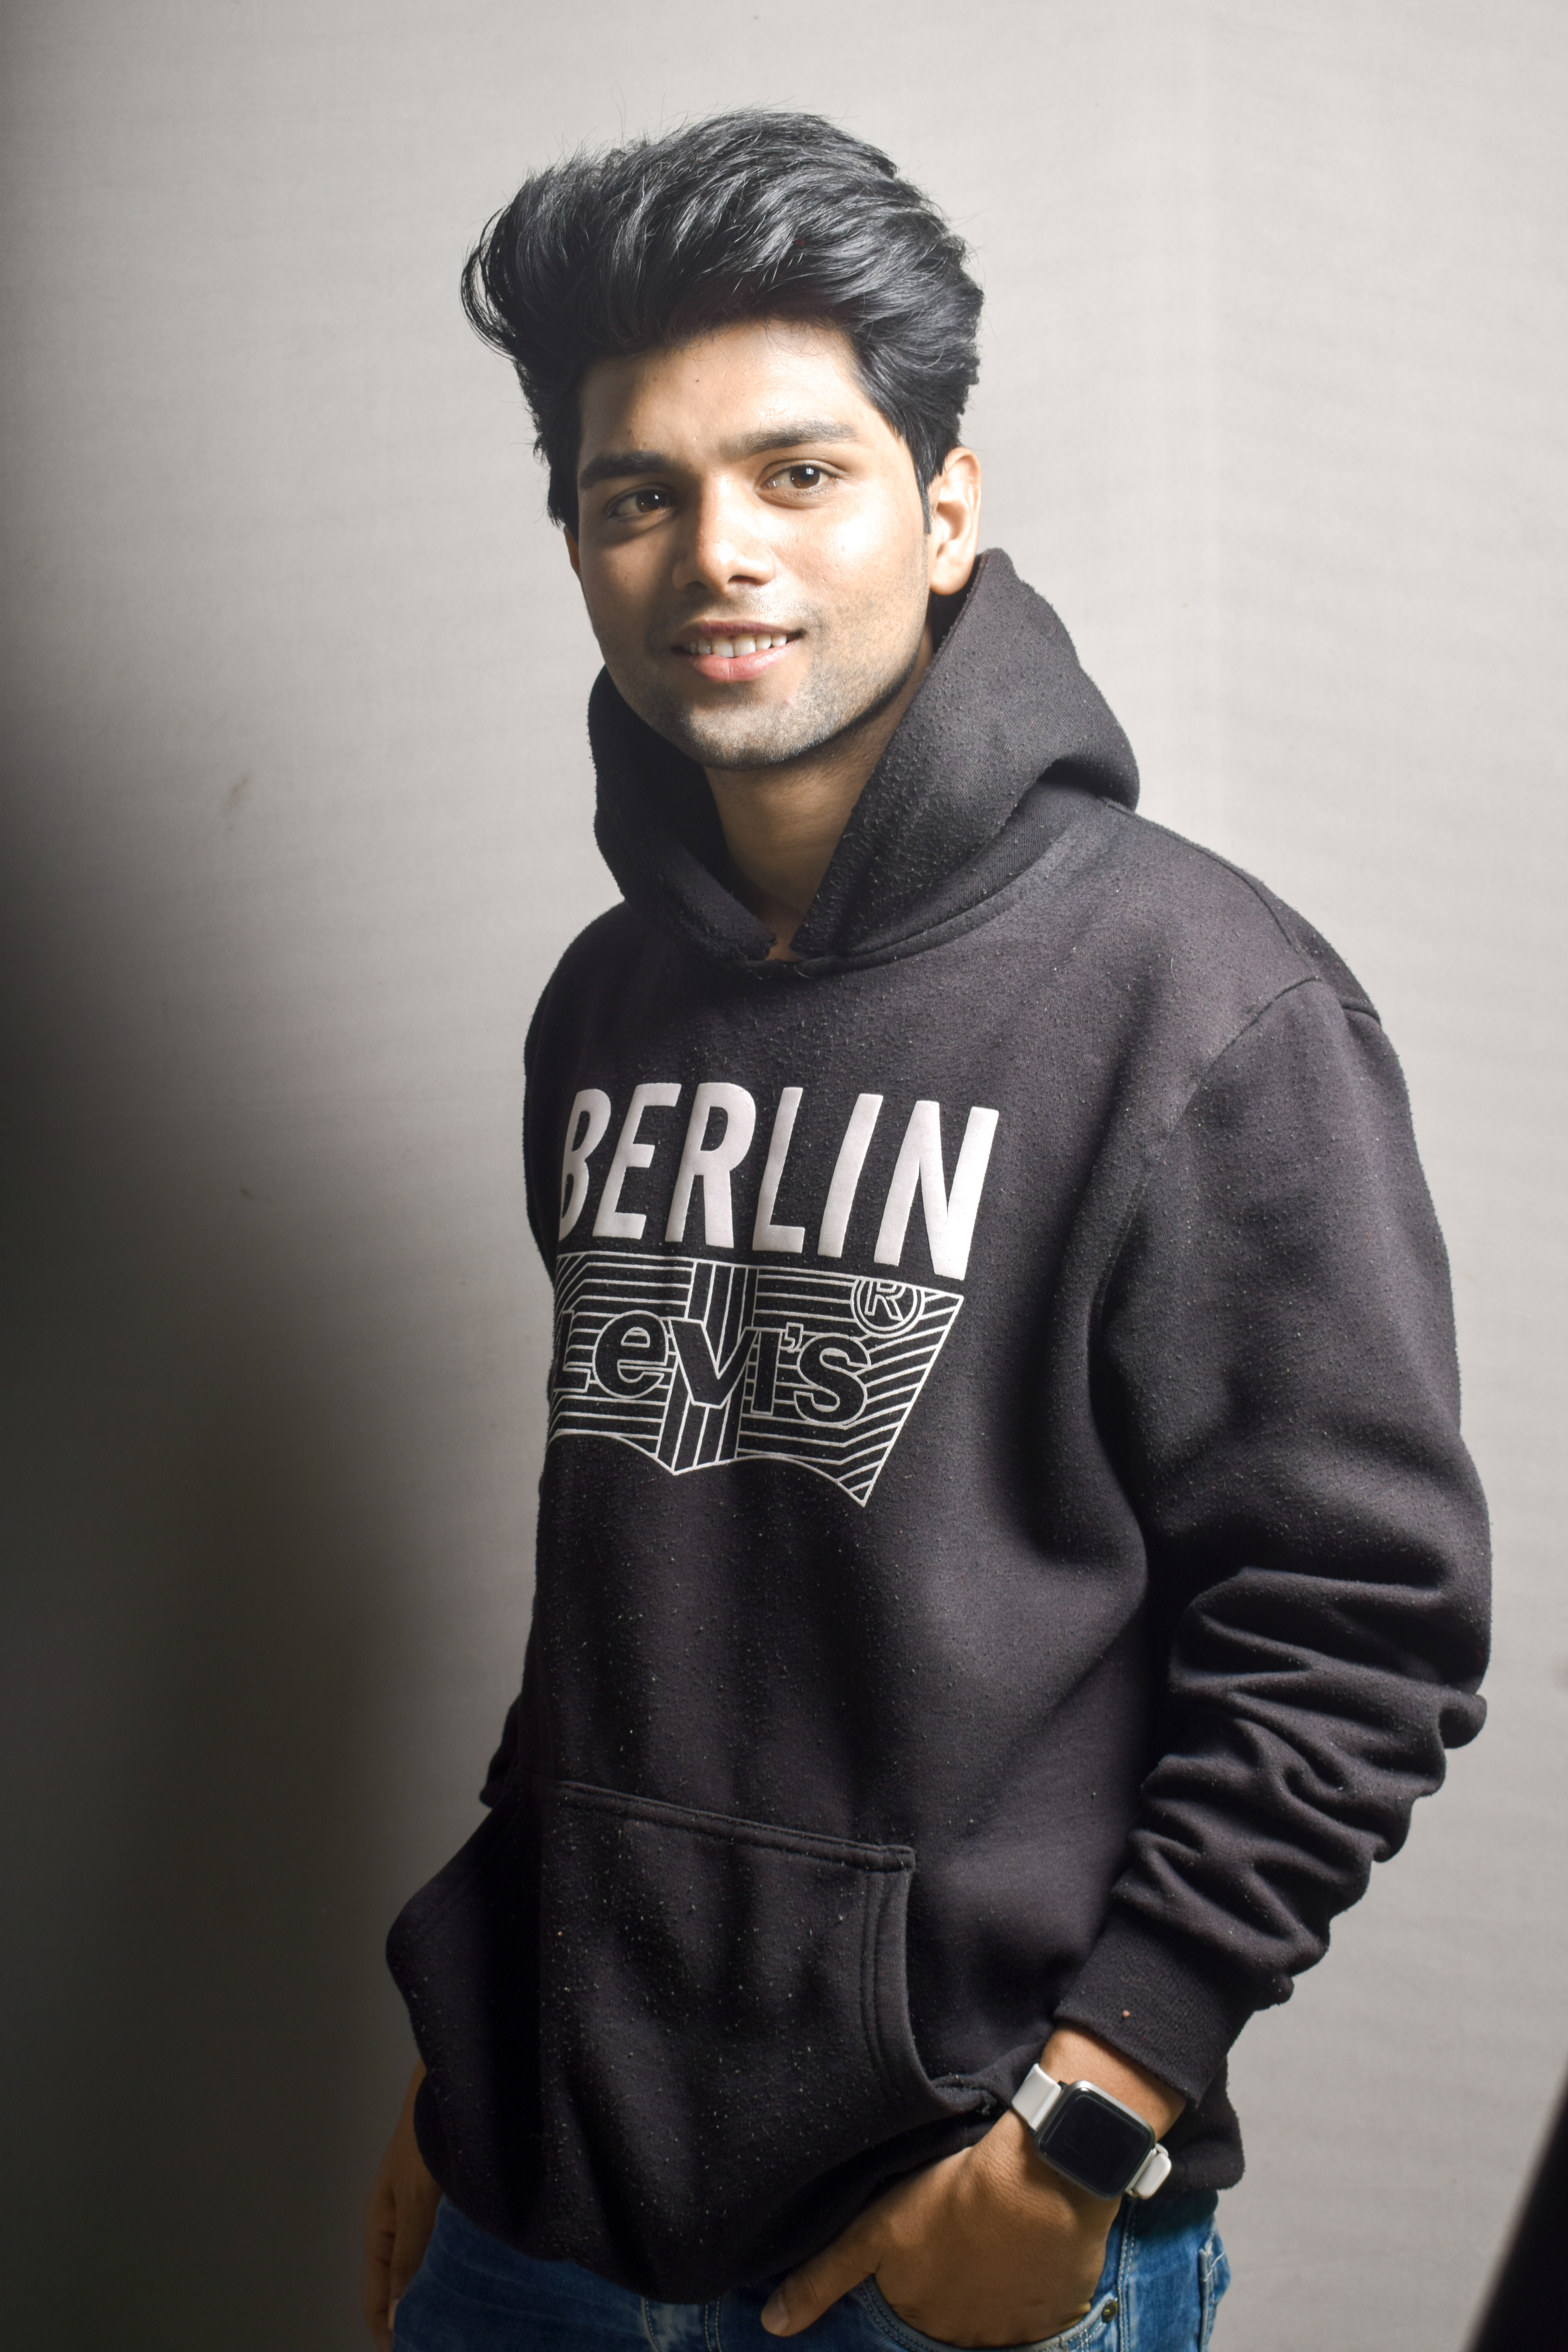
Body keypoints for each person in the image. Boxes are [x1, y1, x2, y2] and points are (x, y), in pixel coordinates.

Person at [363, 111, 1489, 2352]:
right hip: (541, 2198)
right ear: (578, 544)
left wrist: (1086, 2129)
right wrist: (480, 2051)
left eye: (800, 473)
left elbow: (1362, 1625)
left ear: (947, 507)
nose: (718, 552)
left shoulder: (1203, 1004)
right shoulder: (606, 1006)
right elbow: (638, 1583)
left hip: (951, 2222)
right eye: (637, 495)